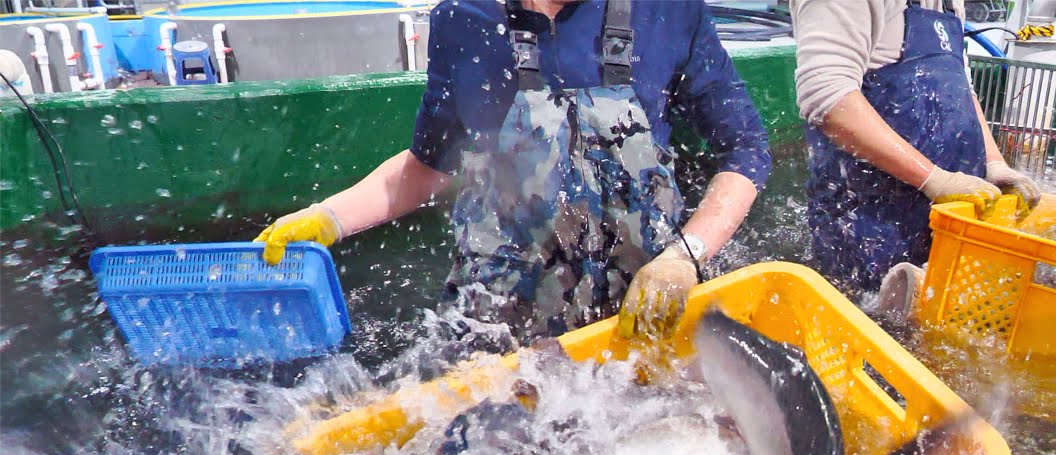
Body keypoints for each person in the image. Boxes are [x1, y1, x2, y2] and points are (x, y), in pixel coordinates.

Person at [255, 0, 770, 342]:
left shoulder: (671, 10)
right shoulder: (462, 19)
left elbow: (745, 150)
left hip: (639, 313)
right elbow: (428, 166)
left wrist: (686, 257)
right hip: (500, 325)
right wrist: (328, 218)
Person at [793, 0, 1041, 303]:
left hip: (947, 224)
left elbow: (961, 88)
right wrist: (935, 180)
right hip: (869, 230)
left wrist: (994, 163)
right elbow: (829, 100)